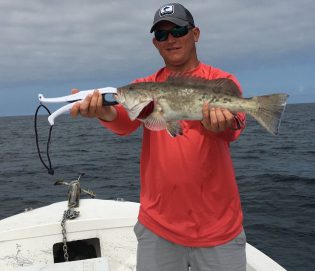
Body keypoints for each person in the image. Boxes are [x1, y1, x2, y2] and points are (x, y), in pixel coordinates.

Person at [71, 3, 246, 271]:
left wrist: (220, 125)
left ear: (195, 34)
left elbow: (233, 128)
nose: (171, 39)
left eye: (178, 30)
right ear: (155, 43)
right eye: (162, 35)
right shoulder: (147, 85)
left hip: (218, 229)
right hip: (158, 228)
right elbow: (125, 121)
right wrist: (103, 112)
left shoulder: (220, 80)